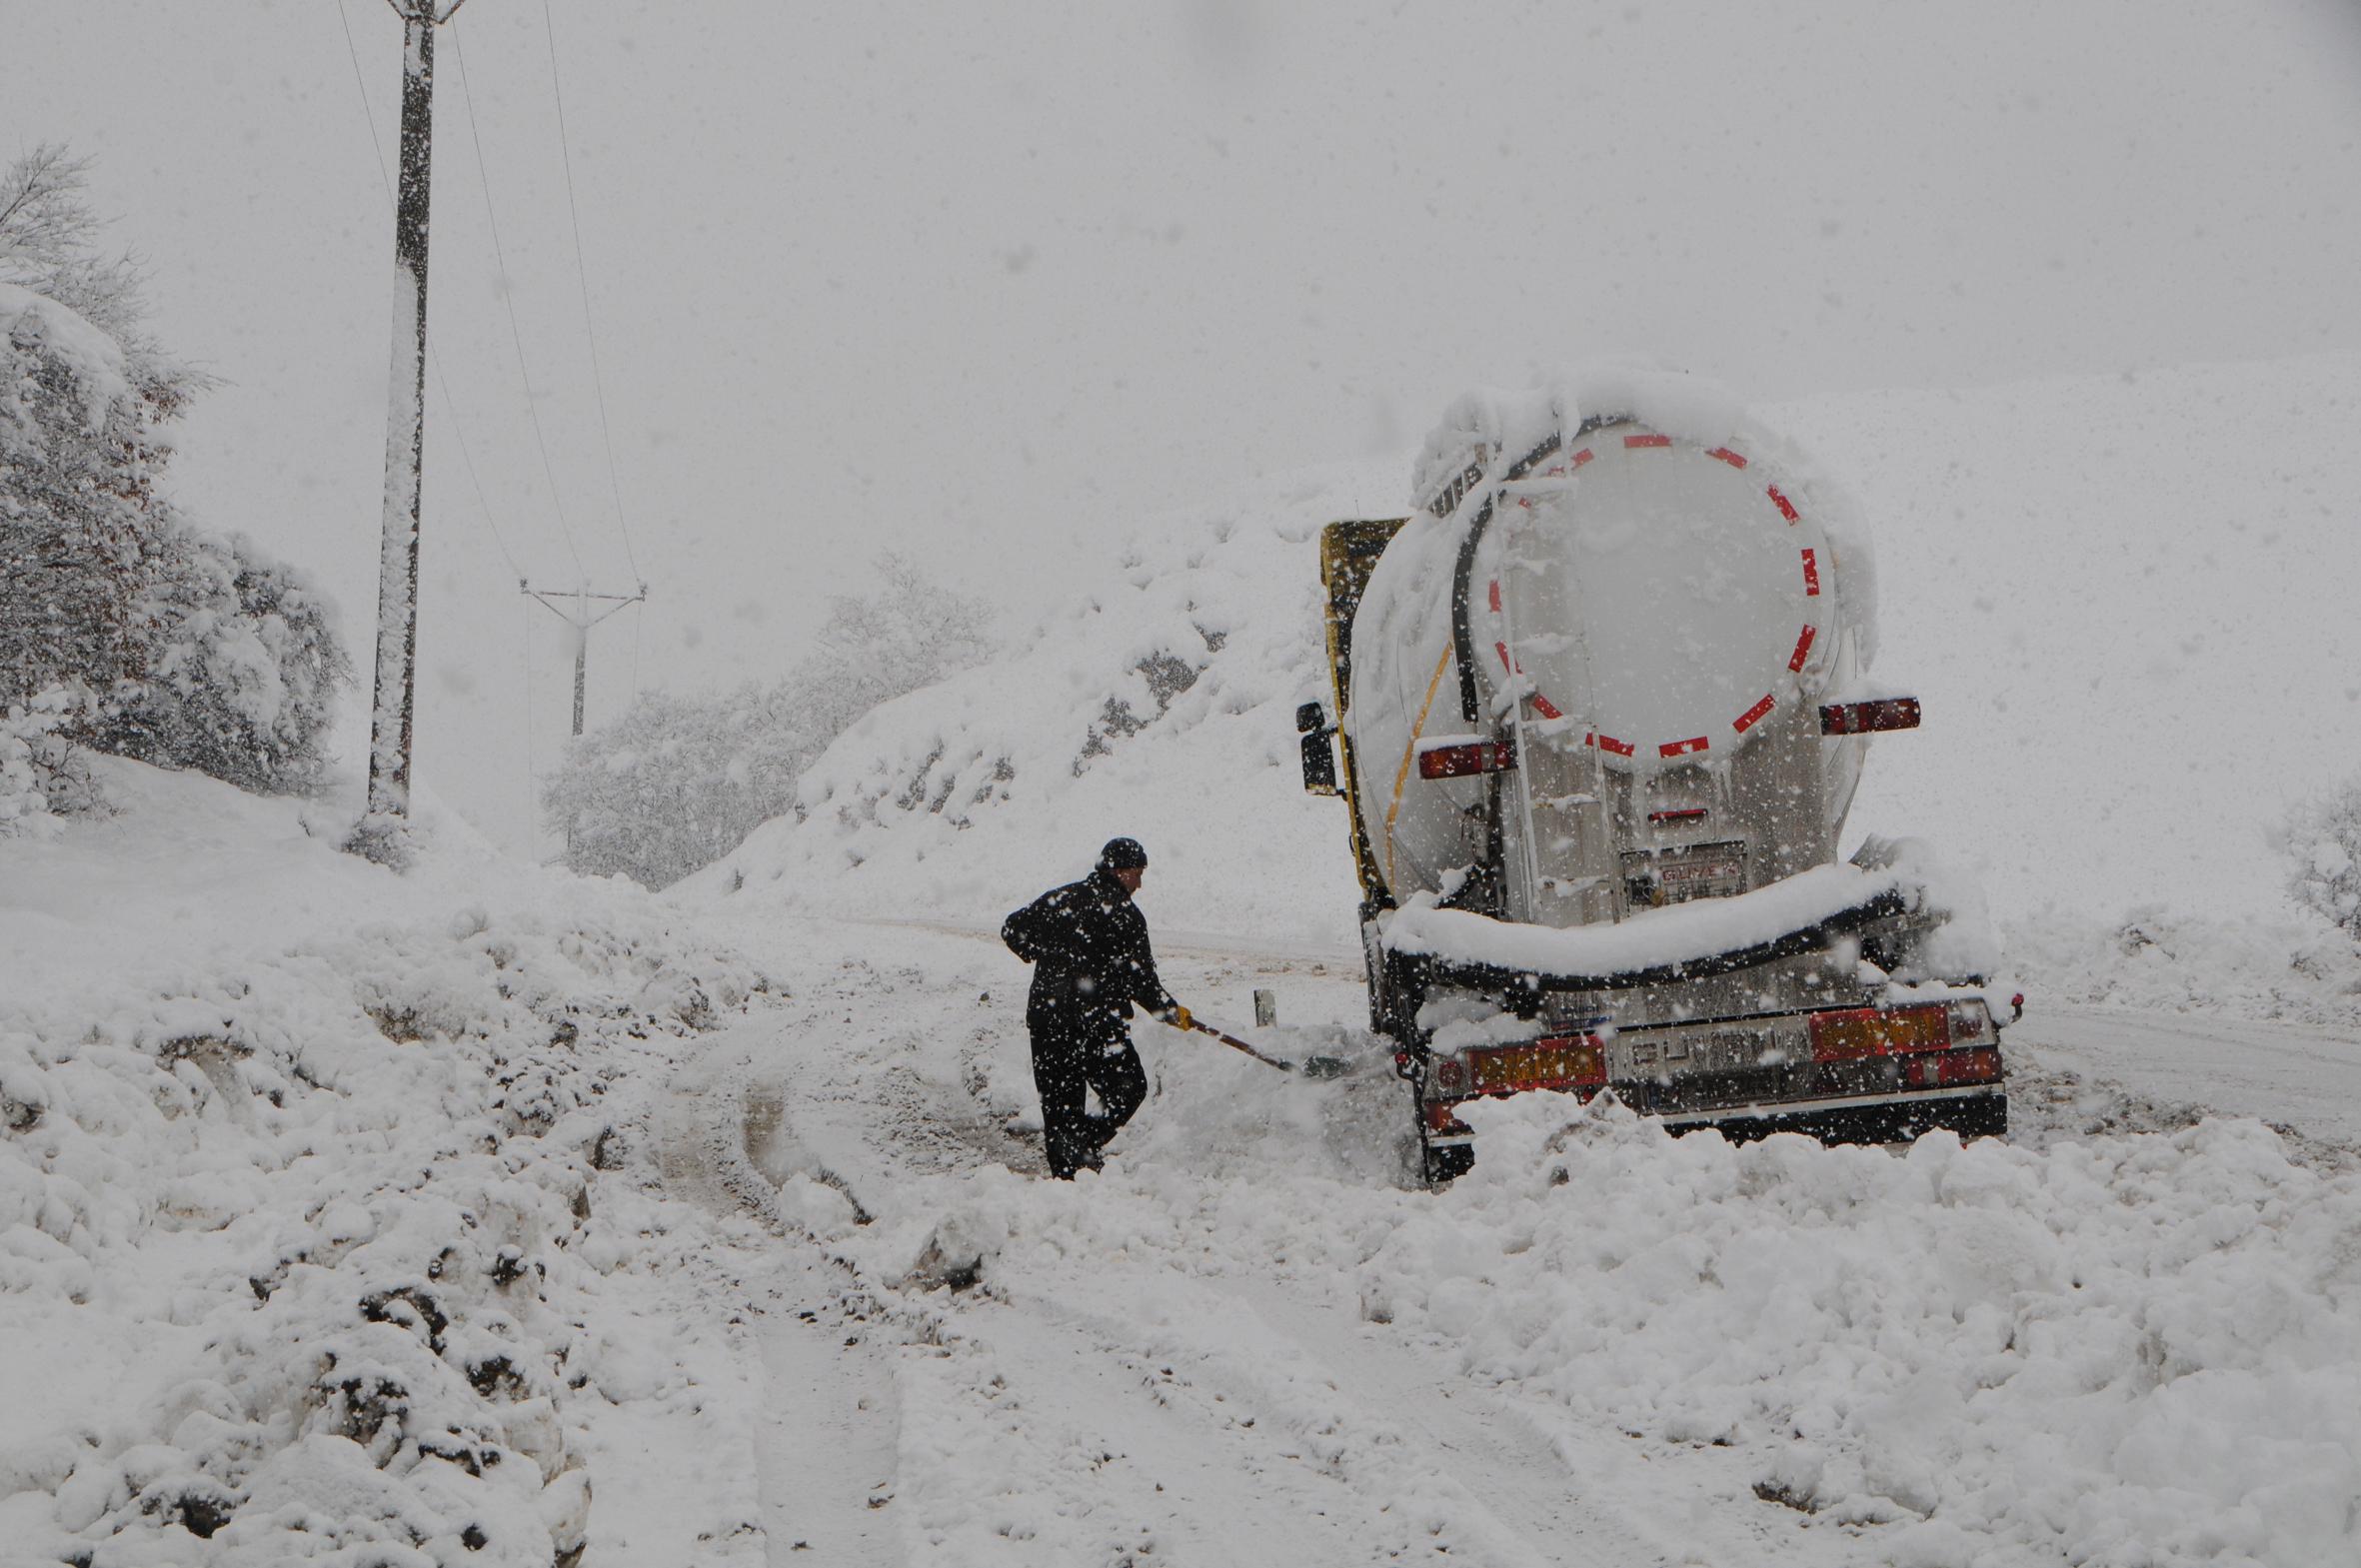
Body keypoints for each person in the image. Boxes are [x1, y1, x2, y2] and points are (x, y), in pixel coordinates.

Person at [1001, 836, 1191, 1179]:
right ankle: (1078, 1155)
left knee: (1061, 1104)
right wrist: (1169, 1011)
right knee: (1128, 1087)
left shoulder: (1062, 899)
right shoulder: (1125, 916)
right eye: (1137, 873)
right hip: (1097, 1025)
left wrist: (1046, 950)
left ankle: (1070, 1162)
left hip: (1051, 1020)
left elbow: (1013, 929)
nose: (1140, 883)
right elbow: (1141, 981)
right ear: (1120, 871)